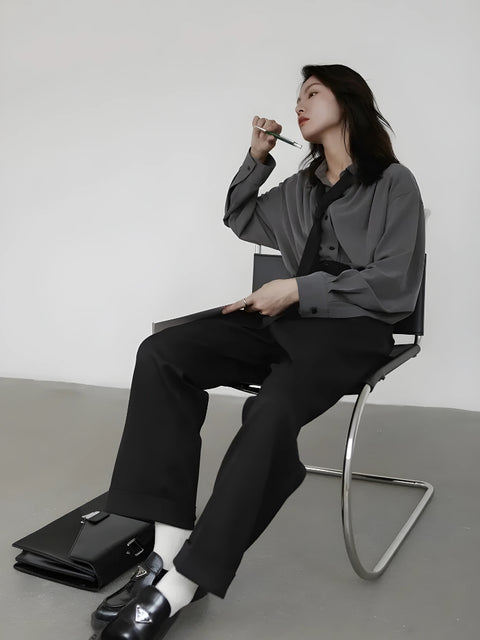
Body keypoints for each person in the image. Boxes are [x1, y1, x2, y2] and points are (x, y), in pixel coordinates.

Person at [89, 64, 425, 640]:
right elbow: (240, 216)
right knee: (164, 354)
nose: (299, 104)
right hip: (287, 320)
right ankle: (167, 548)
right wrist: (257, 156)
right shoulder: (301, 187)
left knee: (271, 409)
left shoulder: (394, 183)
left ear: (348, 102)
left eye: (312, 93)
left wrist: (298, 289)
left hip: (355, 329)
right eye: (298, 96)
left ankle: (182, 585)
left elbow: (396, 285)